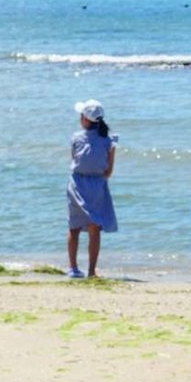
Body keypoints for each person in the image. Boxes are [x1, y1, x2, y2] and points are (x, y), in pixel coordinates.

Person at [67, 99, 118, 278]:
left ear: (86, 120)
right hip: (98, 185)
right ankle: (91, 271)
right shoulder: (109, 141)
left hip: (77, 184)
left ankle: (73, 269)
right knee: (94, 228)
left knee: (74, 227)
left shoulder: (76, 138)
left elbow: (74, 161)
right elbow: (109, 170)